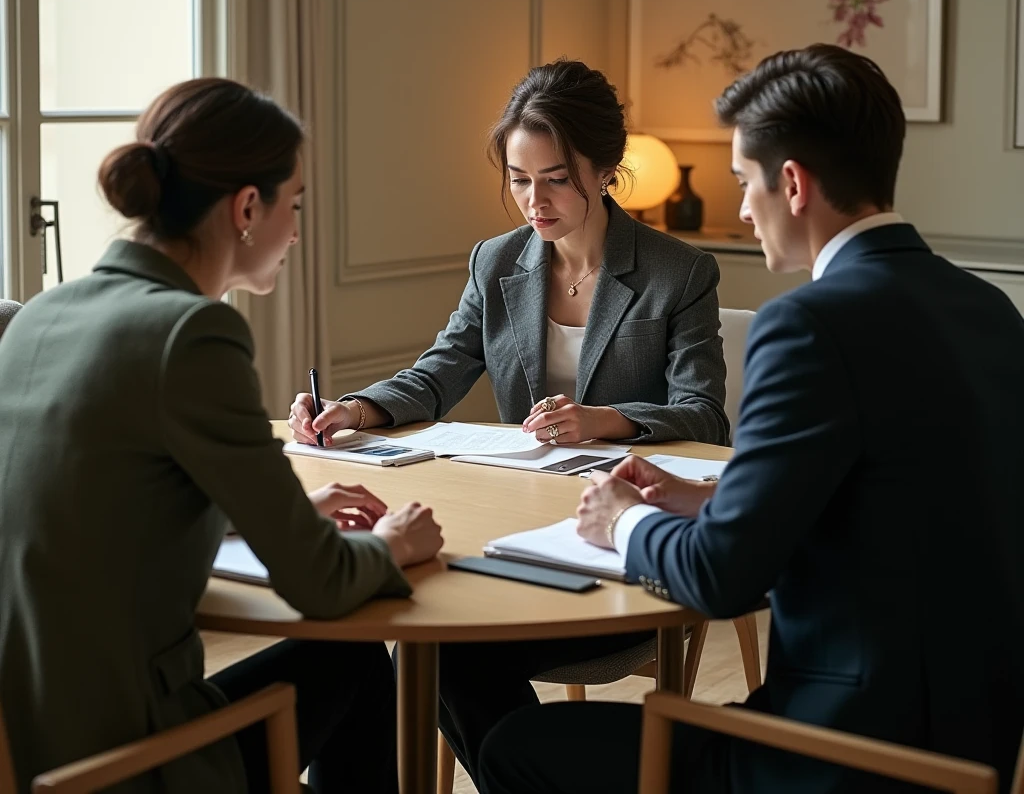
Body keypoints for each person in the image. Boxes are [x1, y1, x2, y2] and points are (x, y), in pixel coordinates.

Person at [476, 44, 1024, 794]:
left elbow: (720, 579)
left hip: (839, 759)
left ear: (791, 184)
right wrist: (711, 498)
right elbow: (889, 494)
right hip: (972, 744)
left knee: (518, 745)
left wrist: (623, 520)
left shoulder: (808, 326)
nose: (740, 209)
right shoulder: (989, 311)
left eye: (743, 182)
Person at [289, 59, 730, 781]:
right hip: (512, 536)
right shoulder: (497, 263)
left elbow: (704, 418)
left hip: (620, 547)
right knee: (431, 640)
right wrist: (358, 407)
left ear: (606, 168)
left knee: (443, 652)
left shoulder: (677, 272)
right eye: (520, 180)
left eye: (556, 178)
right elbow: (440, 371)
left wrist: (603, 419)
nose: (534, 200)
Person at [0, 78, 443, 794]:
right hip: (120, 765)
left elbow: (107, 498)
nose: (296, 232)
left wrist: (266, 515)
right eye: (293, 205)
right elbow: (321, 584)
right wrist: (393, 542)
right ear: (246, 207)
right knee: (353, 657)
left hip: (28, 745)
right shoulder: (192, 334)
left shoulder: (43, 315)